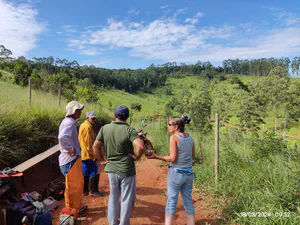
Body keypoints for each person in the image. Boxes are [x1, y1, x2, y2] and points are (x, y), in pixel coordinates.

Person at [93, 105, 145, 225]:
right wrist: (137, 157)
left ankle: (112, 222)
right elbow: (141, 146)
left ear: (115, 115)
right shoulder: (130, 130)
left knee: (113, 196)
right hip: (126, 169)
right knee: (126, 198)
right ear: (127, 117)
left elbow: (95, 146)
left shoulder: (105, 128)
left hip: (111, 168)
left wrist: (101, 160)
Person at [147, 115, 195, 225]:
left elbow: (172, 158)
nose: (168, 126)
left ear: (176, 126)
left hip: (177, 173)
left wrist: (156, 157)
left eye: (169, 124)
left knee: (171, 201)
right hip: (189, 173)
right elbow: (192, 154)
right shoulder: (190, 137)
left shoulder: (174, 138)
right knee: (188, 201)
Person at [58, 100, 85, 210]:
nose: (80, 112)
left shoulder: (68, 121)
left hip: (69, 159)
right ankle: (72, 209)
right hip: (69, 160)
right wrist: (70, 149)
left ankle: (75, 208)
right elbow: (62, 137)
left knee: (74, 186)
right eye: (78, 110)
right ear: (73, 111)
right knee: (73, 187)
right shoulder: (70, 122)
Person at [78, 111, 103, 197]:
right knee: (94, 171)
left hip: (83, 154)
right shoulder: (88, 127)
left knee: (85, 172)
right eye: (92, 118)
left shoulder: (82, 125)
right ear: (87, 118)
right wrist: (94, 155)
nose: (94, 120)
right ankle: (93, 191)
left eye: (94, 118)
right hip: (88, 154)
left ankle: (85, 190)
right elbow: (89, 143)